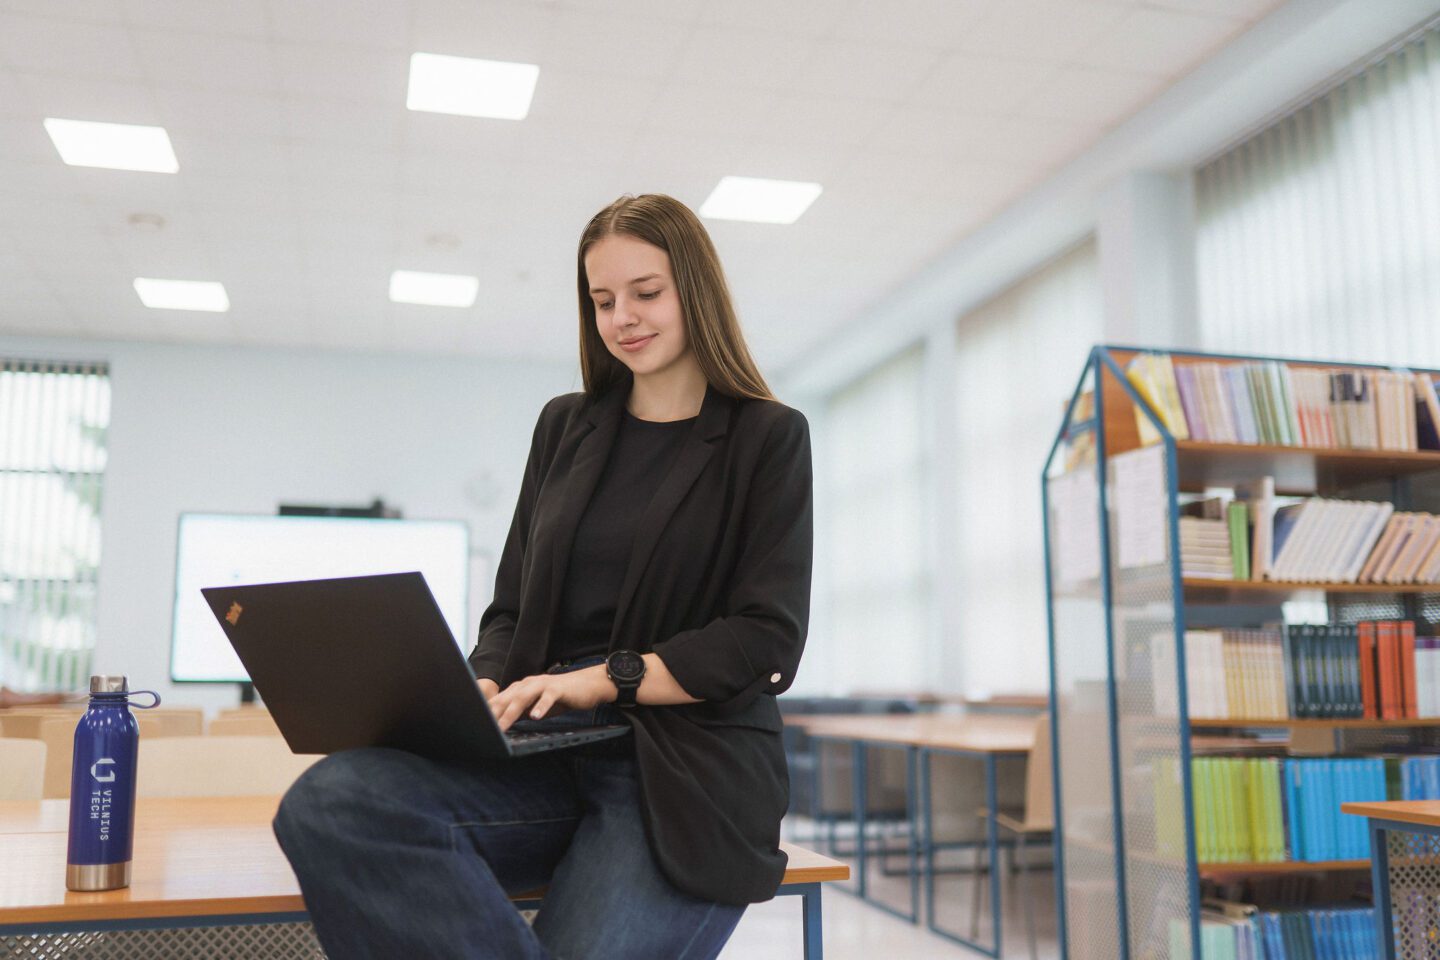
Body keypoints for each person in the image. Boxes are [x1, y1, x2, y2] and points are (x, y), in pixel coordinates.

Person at [273, 193, 814, 959]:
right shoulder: (567, 425)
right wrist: (482, 686)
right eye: (602, 301)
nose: (622, 316)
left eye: (646, 293)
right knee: (331, 802)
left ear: (696, 289)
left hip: (679, 774)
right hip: (543, 754)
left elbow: (764, 639)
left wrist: (604, 678)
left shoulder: (769, 436)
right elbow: (510, 612)